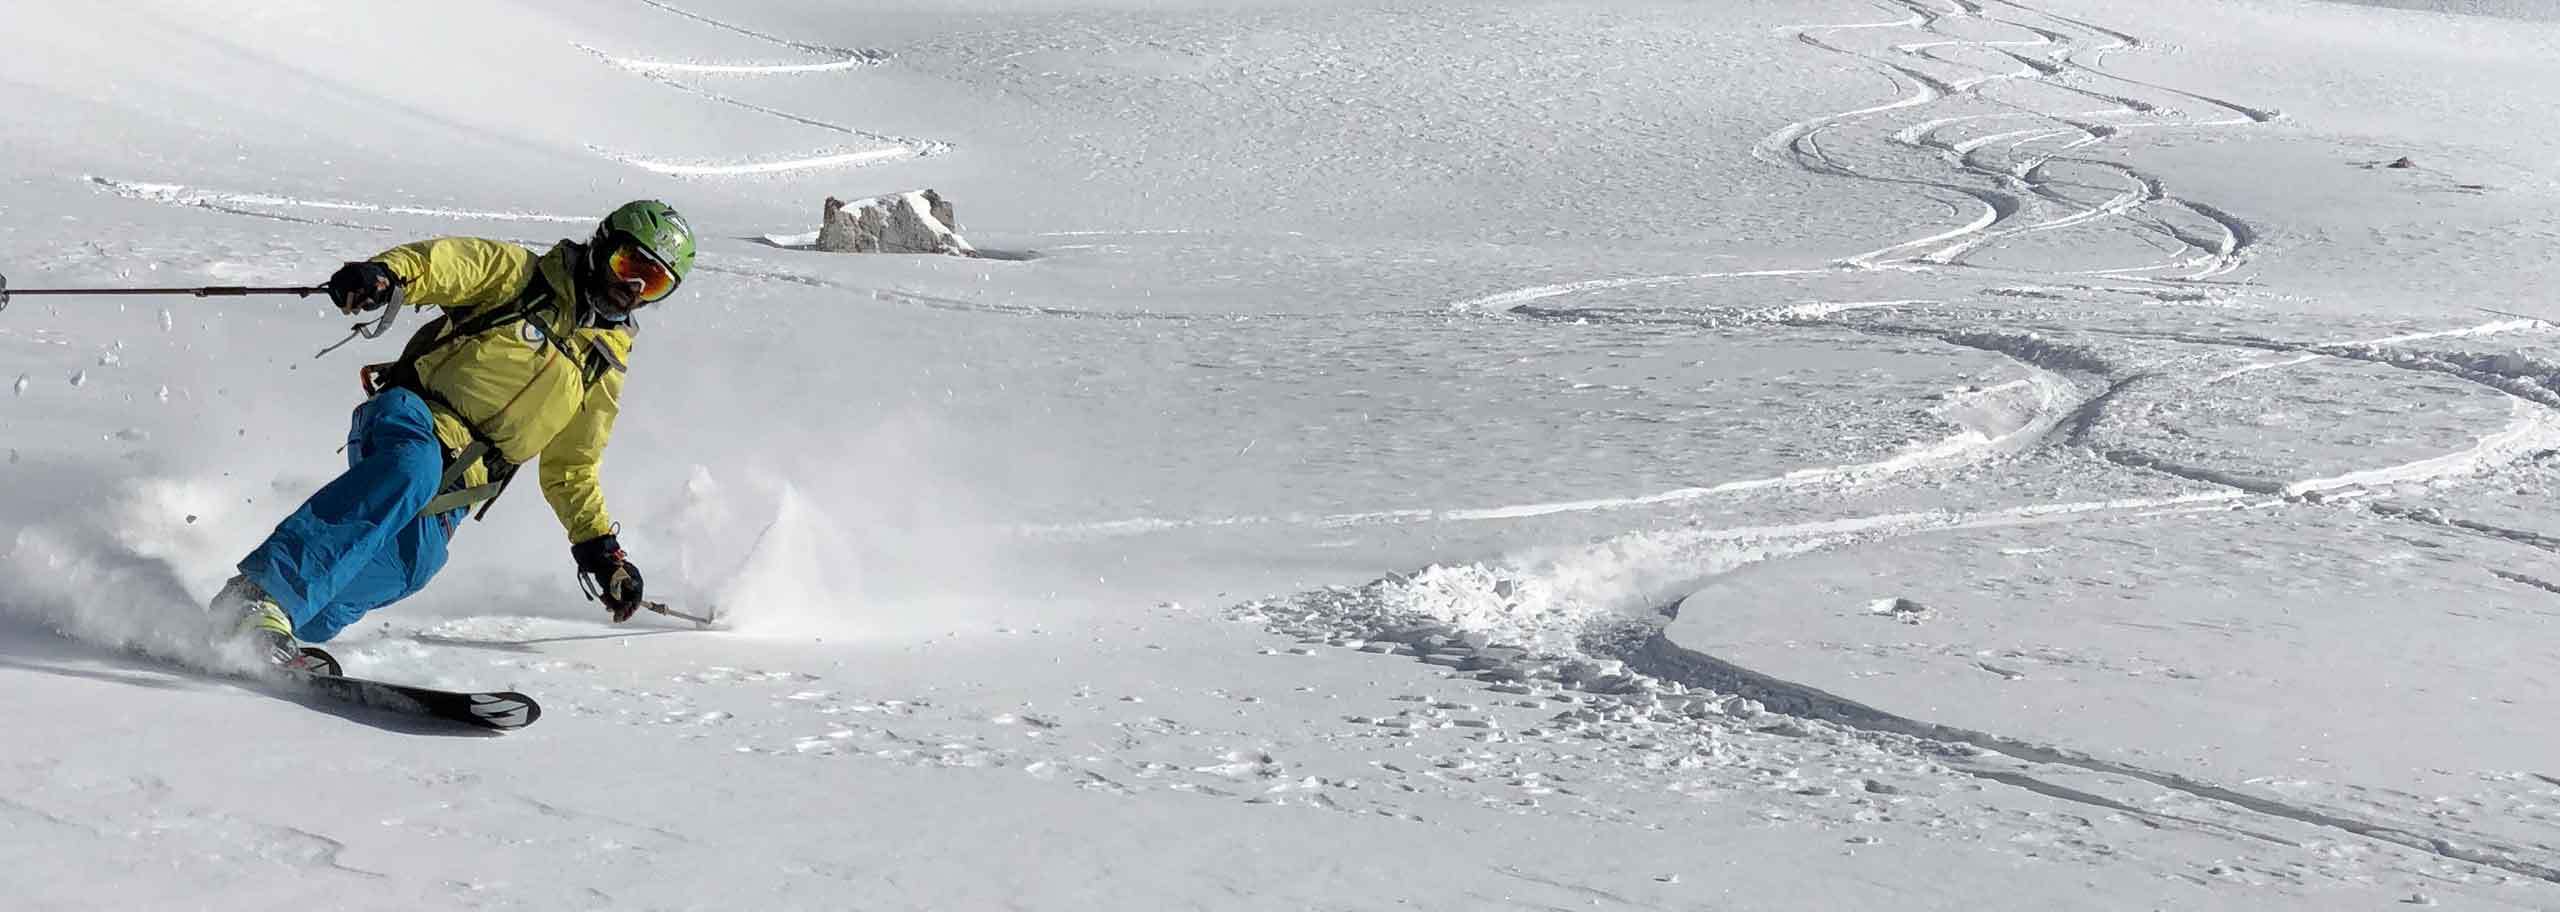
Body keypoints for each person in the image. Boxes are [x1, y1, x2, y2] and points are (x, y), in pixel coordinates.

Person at [206, 200, 696, 667]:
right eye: (628, 262)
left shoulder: (602, 364)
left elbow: (572, 466)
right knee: (412, 468)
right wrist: (386, 276)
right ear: (602, 244)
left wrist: (599, 550)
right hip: (412, 418)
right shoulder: (522, 276)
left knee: (413, 565)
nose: (631, 286)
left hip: (464, 479)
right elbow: (445, 264)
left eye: (652, 283)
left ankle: (275, 632)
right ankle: (257, 598)